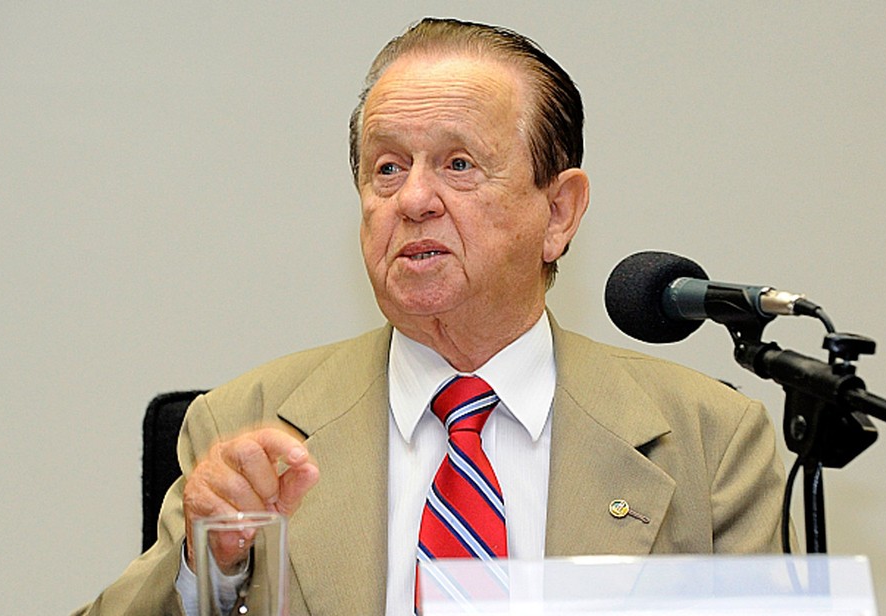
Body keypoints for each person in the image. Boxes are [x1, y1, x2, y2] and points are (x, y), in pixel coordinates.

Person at [74, 17, 787, 615]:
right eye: (386, 168)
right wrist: (207, 565)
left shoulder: (710, 442)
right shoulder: (245, 423)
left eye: (458, 164)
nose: (412, 200)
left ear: (559, 211)